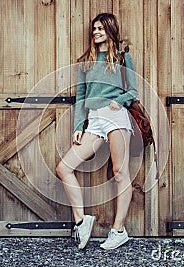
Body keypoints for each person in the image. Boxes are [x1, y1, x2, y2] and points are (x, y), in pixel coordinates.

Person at [56, 13, 138, 250]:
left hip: (115, 117)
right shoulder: (86, 62)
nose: (96, 32)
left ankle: (118, 230)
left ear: (110, 30)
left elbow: (133, 90)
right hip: (94, 120)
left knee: (120, 173)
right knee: (64, 168)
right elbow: (81, 97)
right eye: (94, 28)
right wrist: (78, 126)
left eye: (100, 28)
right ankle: (81, 222)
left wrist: (120, 101)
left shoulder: (123, 58)